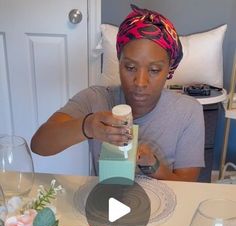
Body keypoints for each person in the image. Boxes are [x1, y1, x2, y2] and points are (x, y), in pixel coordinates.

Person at [31, 4, 205, 182]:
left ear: (169, 69)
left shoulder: (188, 112)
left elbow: (188, 185)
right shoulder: (95, 99)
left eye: (154, 70)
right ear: (119, 62)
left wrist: (153, 166)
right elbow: (39, 144)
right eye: (130, 67)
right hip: (107, 202)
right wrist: (88, 126)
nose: (140, 82)